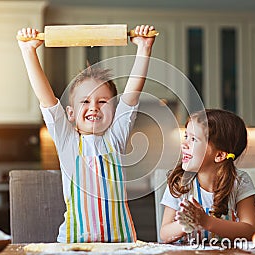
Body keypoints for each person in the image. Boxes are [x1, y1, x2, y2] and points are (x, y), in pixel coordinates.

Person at [17, 25, 156, 243]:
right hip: (73, 244)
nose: (94, 107)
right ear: (70, 114)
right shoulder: (67, 141)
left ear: (115, 111)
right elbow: (47, 99)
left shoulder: (115, 138)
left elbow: (132, 95)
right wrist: (28, 51)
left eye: (102, 101)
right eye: (85, 101)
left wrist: (144, 48)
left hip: (120, 245)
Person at [160, 109, 255, 243]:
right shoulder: (180, 183)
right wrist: (185, 224)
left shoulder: (239, 181)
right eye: (186, 137)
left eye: (194, 139)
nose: (184, 144)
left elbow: (251, 230)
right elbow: (164, 235)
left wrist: (207, 222)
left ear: (219, 155)